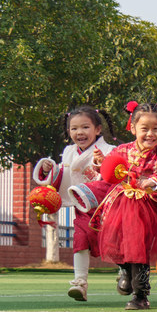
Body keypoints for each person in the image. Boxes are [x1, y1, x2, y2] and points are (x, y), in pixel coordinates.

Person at [90, 101, 157, 310]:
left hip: (149, 210)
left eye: (155, 129)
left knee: (139, 248)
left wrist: (155, 182)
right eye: (144, 129)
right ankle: (125, 270)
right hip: (120, 206)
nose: (150, 134)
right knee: (117, 243)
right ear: (133, 128)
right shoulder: (122, 150)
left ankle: (140, 294)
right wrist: (101, 162)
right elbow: (108, 172)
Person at [33, 106, 117, 301]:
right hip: (83, 207)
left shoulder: (110, 150)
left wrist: (104, 163)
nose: (80, 132)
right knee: (80, 241)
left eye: (85, 127)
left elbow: (115, 175)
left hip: (108, 206)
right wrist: (48, 169)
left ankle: (126, 274)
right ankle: (80, 282)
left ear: (97, 129)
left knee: (115, 242)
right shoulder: (69, 151)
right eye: (74, 128)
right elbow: (63, 174)